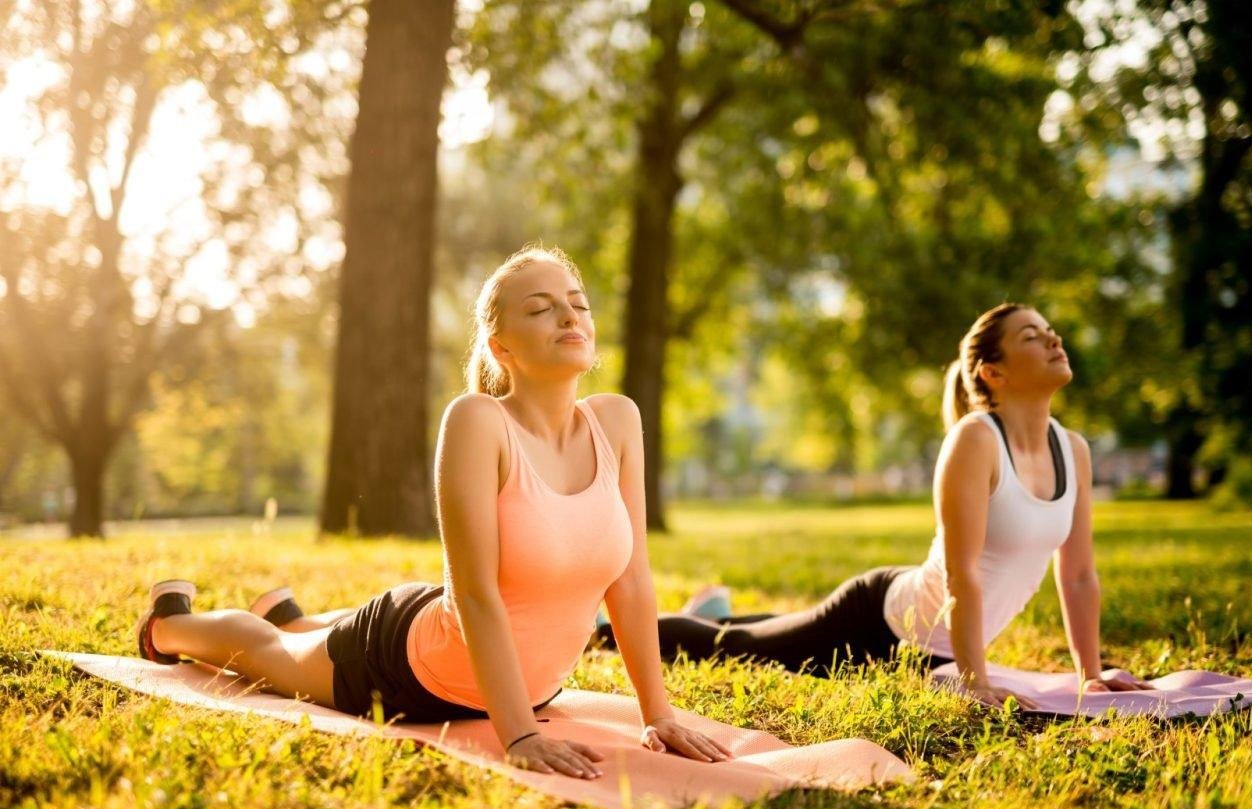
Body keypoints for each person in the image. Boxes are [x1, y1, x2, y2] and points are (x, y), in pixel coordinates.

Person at [134, 245, 730, 777]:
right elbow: (474, 594)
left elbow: (630, 580)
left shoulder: (618, 420)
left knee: (303, 636)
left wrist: (659, 714)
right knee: (269, 656)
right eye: (541, 308)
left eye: (577, 303)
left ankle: (291, 615)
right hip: (414, 670)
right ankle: (168, 622)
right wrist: (519, 734)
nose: (569, 315)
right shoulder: (478, 420)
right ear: (502, 348)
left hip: (510, 669)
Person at [598, 303, 1152, 709]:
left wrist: (1091, 673)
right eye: (1033, 336)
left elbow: (1077, 575)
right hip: (881, 623)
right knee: (737, 647)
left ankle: (711, 608)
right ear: (994, 371)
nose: (1055, 341)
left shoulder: (1072, 449)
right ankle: (599, 631)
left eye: (1051, 332)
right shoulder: (976, 440)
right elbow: (964, 576)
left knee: (774, 630)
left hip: (940, 648)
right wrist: (975, 681)